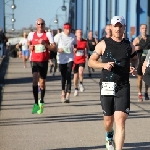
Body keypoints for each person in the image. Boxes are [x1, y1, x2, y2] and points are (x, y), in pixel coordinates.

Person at [88, 16, 138, 150]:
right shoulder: (103, 44)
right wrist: (103, 65)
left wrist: (133, 67)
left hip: (123, 86)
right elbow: (91, 61)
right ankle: (109, 134)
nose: (118, 28)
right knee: (108, 121)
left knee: (120, 121)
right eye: (115, 26)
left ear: (124, 28)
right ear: (111, 27)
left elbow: (135, 59)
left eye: (120, 26)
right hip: (107, 85)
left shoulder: (129, 45)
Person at [27, 18, 56, 114]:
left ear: (44, 25)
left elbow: (54, 47)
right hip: (34, 60)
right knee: (35, 80)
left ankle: (41, 101)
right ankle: (35, 103)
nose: (40, 26)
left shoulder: (48, 34)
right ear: (36, 25)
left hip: (43, 61)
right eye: (39, 24)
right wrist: (29, 46)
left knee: (42, 83)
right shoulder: (31, 34)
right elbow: (28, 43)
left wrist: (45, 44)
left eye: (42, 24)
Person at [54, 23, 77, 103]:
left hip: (70, 58)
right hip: (61, 59)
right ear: (64, 29)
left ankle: (68, 95)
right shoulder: (59, 36)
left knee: (68, 75)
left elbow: (75, 45)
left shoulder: (73, 36)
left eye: (69, 29)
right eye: (67, 29)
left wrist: (75, 49)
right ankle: (63, 92)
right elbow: (53, 45)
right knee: (63, 76)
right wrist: (58, 49)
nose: (68, 31)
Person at [133, 24, 150, 101]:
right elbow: (132, 49)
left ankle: (146, 92)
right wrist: (136, 48)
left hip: (148, 62)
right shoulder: (137, 39)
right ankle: (139, 93)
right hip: (140, 61)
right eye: (142, 28)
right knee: (140, 78)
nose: (144, 29)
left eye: (145, 28)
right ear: (140, 29)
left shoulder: (149, 38)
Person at [73, 29, 87, 96]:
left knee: (81, 72)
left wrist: (87, 54)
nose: (80, 33)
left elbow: (87, 48)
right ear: (76, 34)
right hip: (75, 61)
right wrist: (74, 50)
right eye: (78, 32)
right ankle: (76, 89)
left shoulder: (85, 41)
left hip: (82, 60)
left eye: (81, 32)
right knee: (75, 77)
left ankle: (81, 83)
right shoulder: (74, 41)